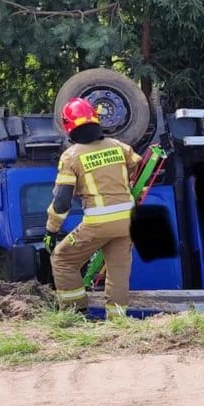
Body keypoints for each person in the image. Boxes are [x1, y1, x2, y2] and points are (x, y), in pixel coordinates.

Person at [43, 96, 143, 319]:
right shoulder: (119, 147)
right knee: (118, 272)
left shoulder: (71, 156)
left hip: (98, 224)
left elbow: (61, 201)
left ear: (68, 125)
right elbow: (137, 165)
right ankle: (118, 323)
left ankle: (75, 315)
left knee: (62, 260)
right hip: (128, 222)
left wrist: (51, 230)